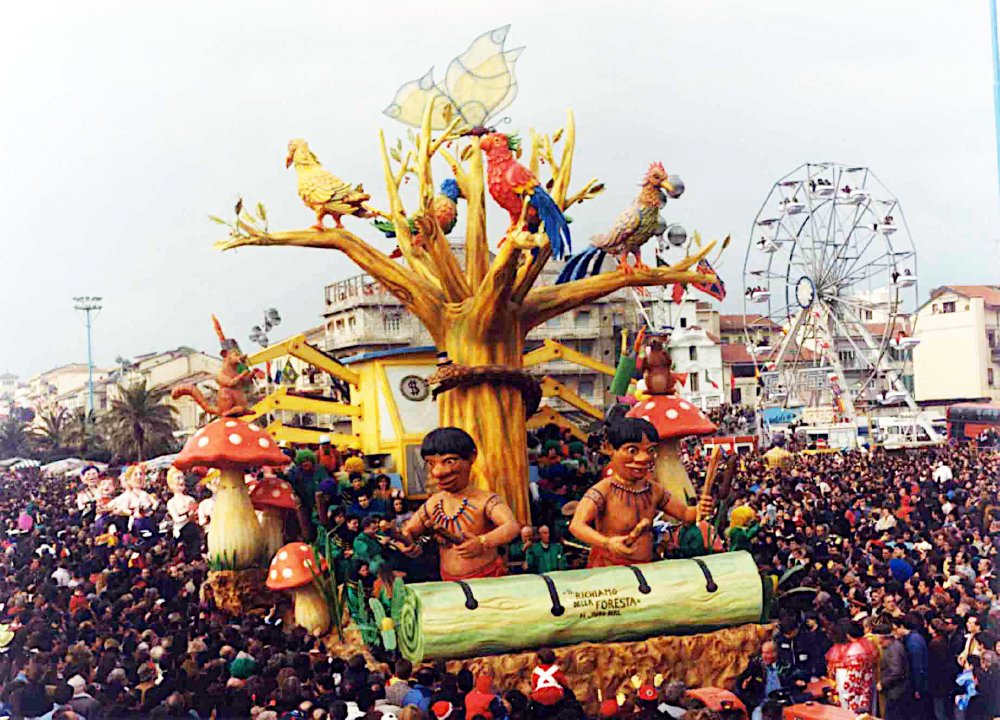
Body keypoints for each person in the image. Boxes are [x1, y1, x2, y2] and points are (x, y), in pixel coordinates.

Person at [569, 417, 712, 567]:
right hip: (610, 571)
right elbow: (577, 525)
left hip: (644, 569)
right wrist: (607, 543)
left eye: (650, 450)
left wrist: (700, 510)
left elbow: (685, 514)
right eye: (632, 450)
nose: (644, 458)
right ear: (610, 448)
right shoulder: (602, 491)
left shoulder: (653, 490)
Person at [402, 428, 520, 581]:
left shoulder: (485, 501)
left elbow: (511, 526)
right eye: (431, 463)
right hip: (449, 583)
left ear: (472, 457)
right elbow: (409, 531)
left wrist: (483, 542)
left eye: (450, 461)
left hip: (488, 580)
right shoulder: (433, 503)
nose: (438, 472)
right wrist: (405, 542)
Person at [736, 641, 788, 720]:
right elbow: (740, 682)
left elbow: (794, 678)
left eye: (767, 653)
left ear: (775, 653)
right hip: (762, 704)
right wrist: (744, 686)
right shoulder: (756, 666)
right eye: (763, 653)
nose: (764, 656)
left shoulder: (784, 665)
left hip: (782, 704)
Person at [875, 623, 911, 720]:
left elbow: (897, 672)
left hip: (896, 692)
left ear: (882, 637)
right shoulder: (891, 646)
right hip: (895, 691)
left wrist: (882, 683)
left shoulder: (894, 649)